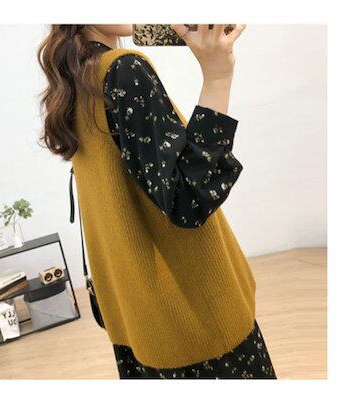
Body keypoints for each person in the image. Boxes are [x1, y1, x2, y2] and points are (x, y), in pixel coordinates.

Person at [37, 24, 277, 379]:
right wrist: (217, 77)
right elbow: (187, 200)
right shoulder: (123, 70)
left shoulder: (76, 81)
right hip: (195, 325)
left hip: (140, 324)